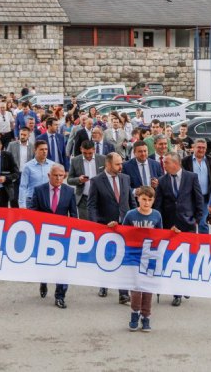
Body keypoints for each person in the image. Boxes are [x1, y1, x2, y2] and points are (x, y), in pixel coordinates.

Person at [153, 152, 204, 307]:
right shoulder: (162, 181)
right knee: (173, 259)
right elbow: (158, 205)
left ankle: (185, 285)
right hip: (169, 227)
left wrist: (195, 220)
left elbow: (198, 201)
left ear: (175, 163)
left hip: (187, 225)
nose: (164, 165)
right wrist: (160, 226)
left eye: (166, 162)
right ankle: (177, 293)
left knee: (187, 259)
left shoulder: (191, 177)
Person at [87, 153, 136, 303]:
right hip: (106, 226)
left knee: (124, 259)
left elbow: (131, 201)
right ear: (108, 165)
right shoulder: (96, 181)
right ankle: (104, 283)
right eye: (117, 164)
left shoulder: (125, 178)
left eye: (121, 163)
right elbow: (92, 205)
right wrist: (96, 226)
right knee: (107, 258)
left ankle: (123, 293)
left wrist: (135, 220)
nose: (121, 166)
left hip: (124, 226)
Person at [29, 164, 77, 308]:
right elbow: (32, 211)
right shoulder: (39, 190)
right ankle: (43, 281)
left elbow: (73, 215)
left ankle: (60, 296)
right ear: (49, 176)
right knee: (45, 264)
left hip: (62, 236)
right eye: (55, 175)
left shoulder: (69, 191)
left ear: (64, 176)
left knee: (62, 267)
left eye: (61, 175)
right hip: (43, 235)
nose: (58, 178)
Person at [122, 186, 162, 332]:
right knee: (137, 286)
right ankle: (135, 313)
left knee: (147, 287)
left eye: (150, 200)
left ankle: (146, 316)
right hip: (134, 255)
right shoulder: (131, 215)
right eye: (144, 199)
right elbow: (123, 233)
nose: (146, 203)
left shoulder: (156, 215)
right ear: (138, 198)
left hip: (149, 257)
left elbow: (160, 236)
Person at [181, 138, 211, 234]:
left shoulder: (210, 160)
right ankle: (191, 244)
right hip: (190, 198)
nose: (201, 150)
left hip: (205, 198)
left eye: (203, 148)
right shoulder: (185, 161)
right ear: (193, 148)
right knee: (190, 223)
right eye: (199, 147)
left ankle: (204, 245)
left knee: (203, 223)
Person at [67, 140, 105, 220]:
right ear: (81, 149)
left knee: (100, 224)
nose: (87, 156)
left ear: (94, 149)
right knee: (85, 225)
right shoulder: (75, 161)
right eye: (85, 153)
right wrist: (79, 180)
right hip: (83, 199)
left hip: (100, 197)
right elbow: (69, 180)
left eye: (90, 153)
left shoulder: (103, 159)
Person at [18, 141, 55, 208]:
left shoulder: (52, 165)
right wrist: (22, 205)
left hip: (48, 200)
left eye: (46, 149)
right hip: (32, 200)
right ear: (35, 150)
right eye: (41, 149)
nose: (44, 151)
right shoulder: (27, 166)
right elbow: (23, 186)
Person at [7, 127, 34, 207]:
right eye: (21, 134)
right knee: (14, 197)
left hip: (27, 174)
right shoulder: (12, 145)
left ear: (29, 136)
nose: (22, 136)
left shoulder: (32, 147)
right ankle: (15, 213)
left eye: (25, 135)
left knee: (26, 197)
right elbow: (7, 159)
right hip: (15, 174)